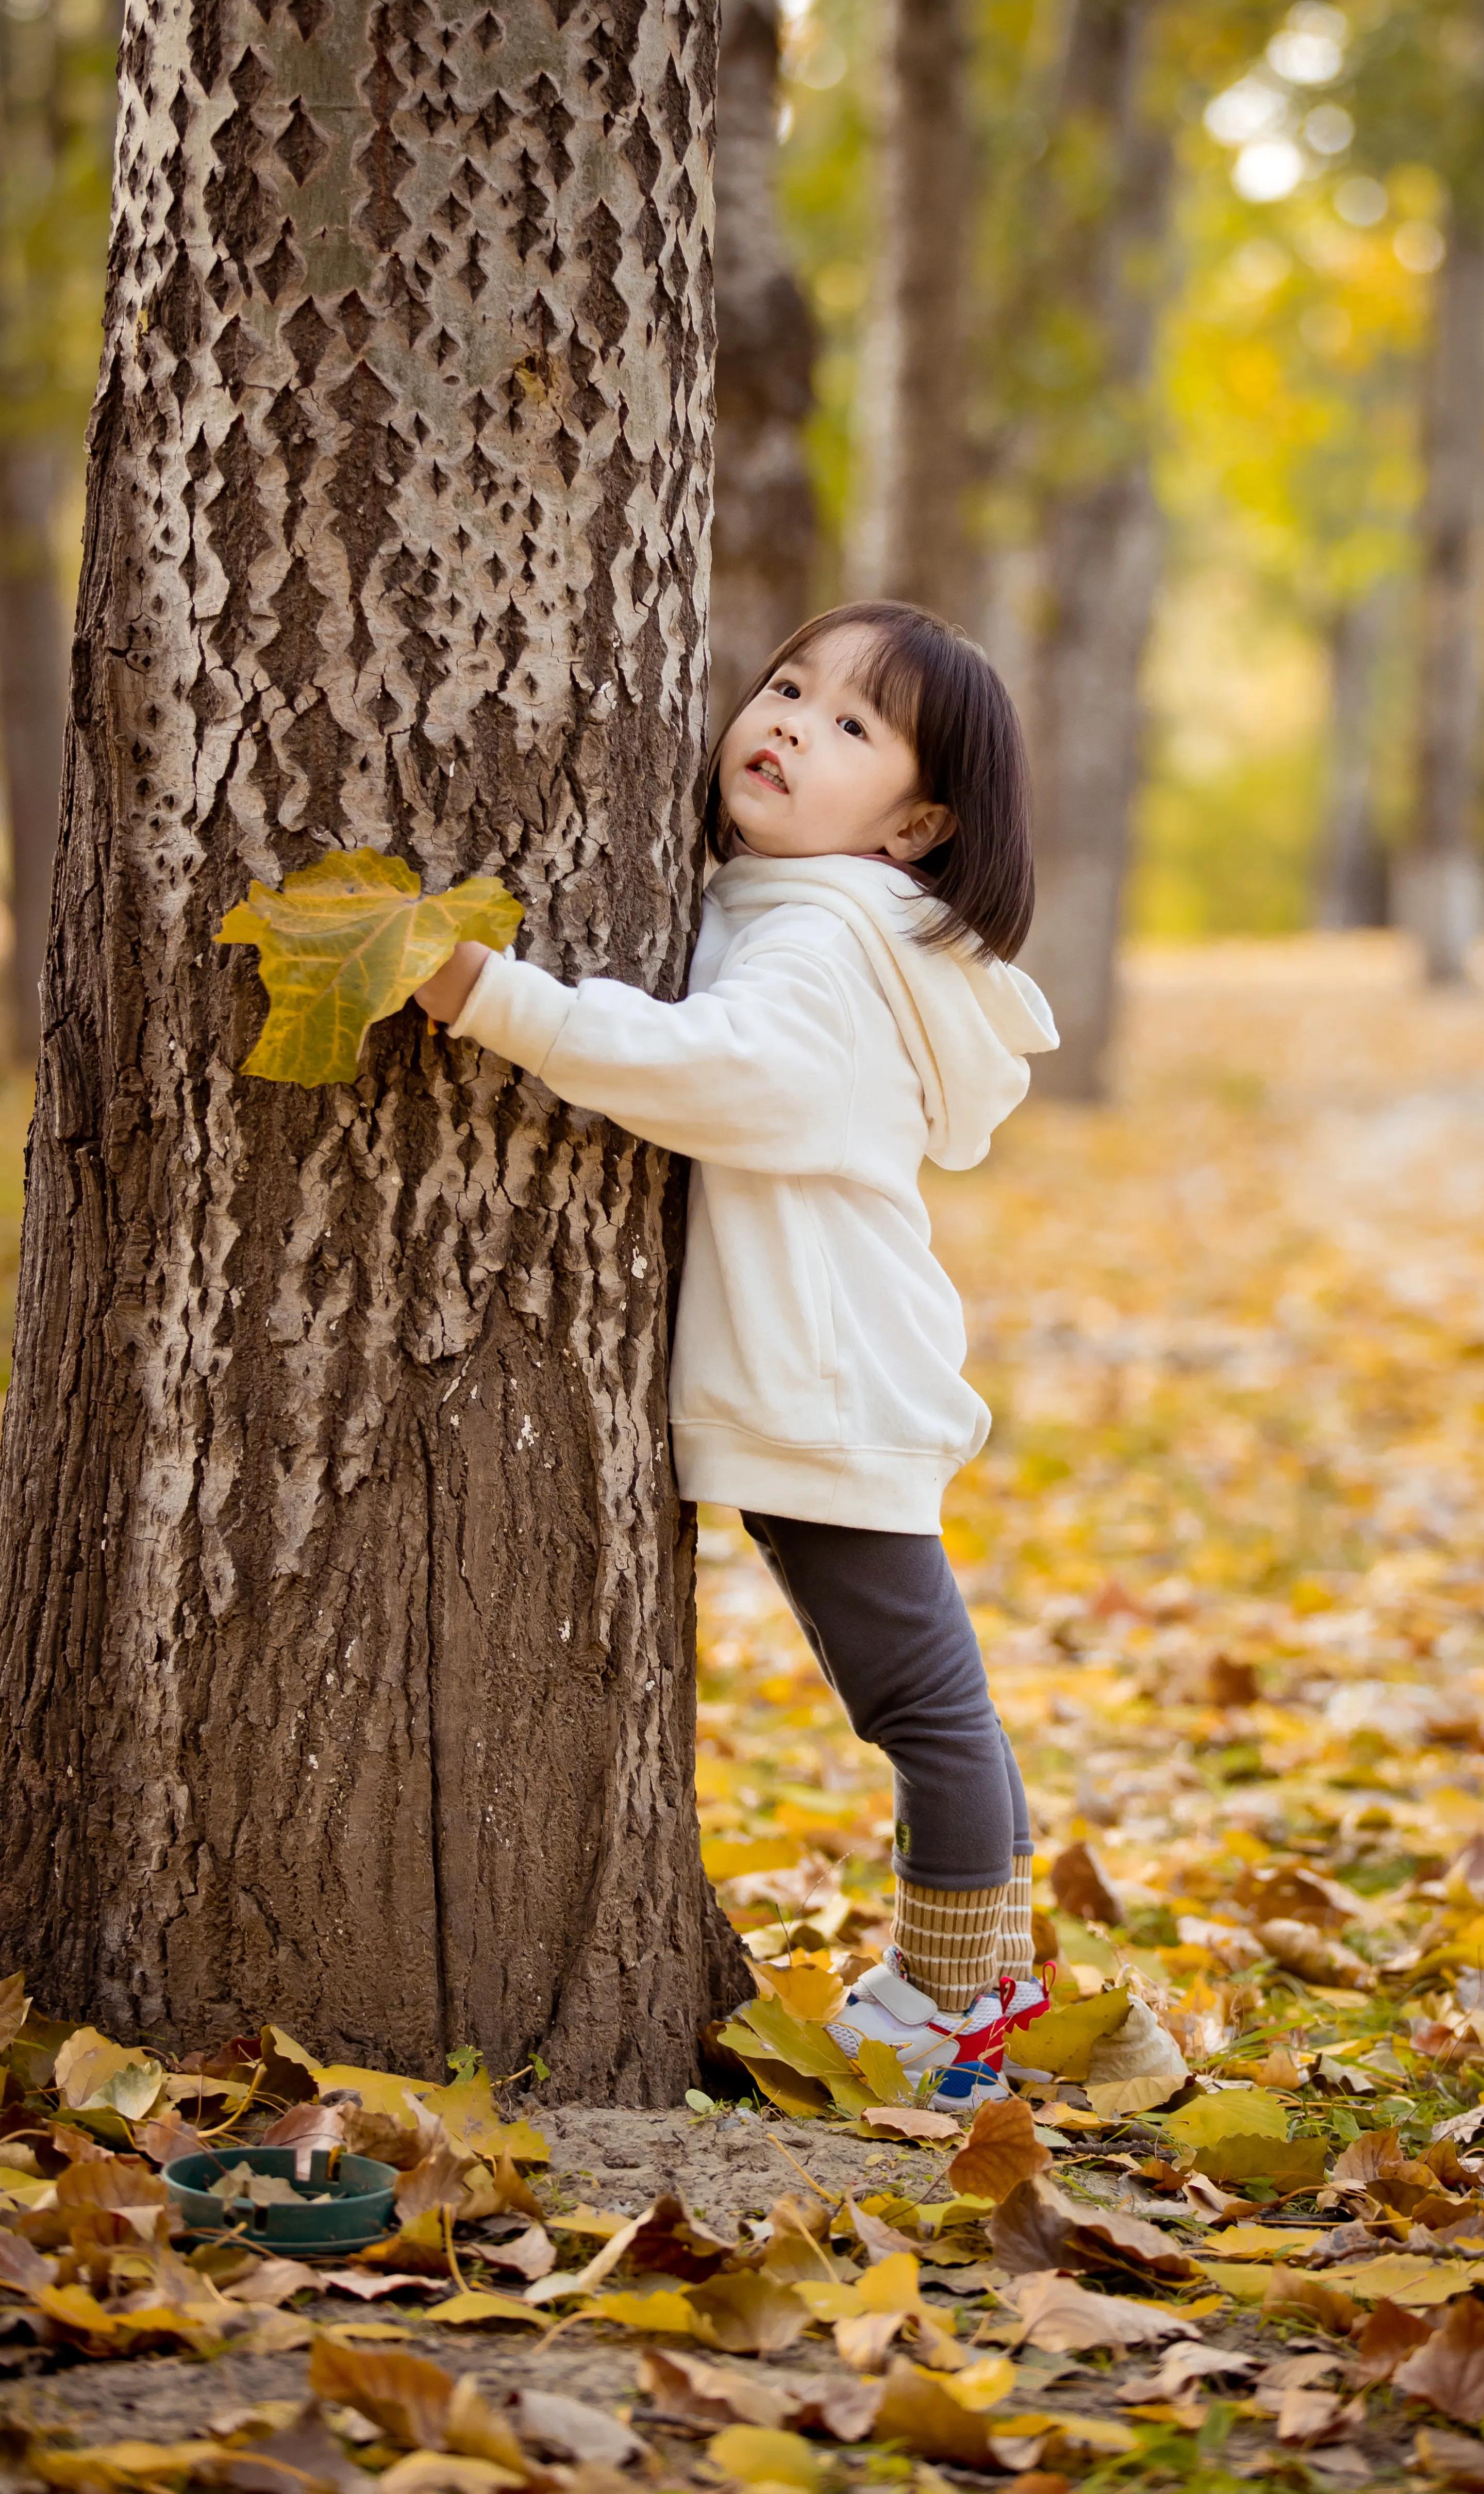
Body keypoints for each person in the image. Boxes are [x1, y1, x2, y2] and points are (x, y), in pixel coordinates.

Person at [413, 600, 1058, 2105]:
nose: (785, 723)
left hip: (829, 1386)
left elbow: (723, 1074)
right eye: (786, 686)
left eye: (850, 727)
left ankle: (963, 2007)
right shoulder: (807, 912)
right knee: (925, 1698)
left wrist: (494, 999)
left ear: (916, 826)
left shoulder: (829, 941)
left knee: (922, 1705)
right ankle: (989, 1981)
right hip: (828, 1369)